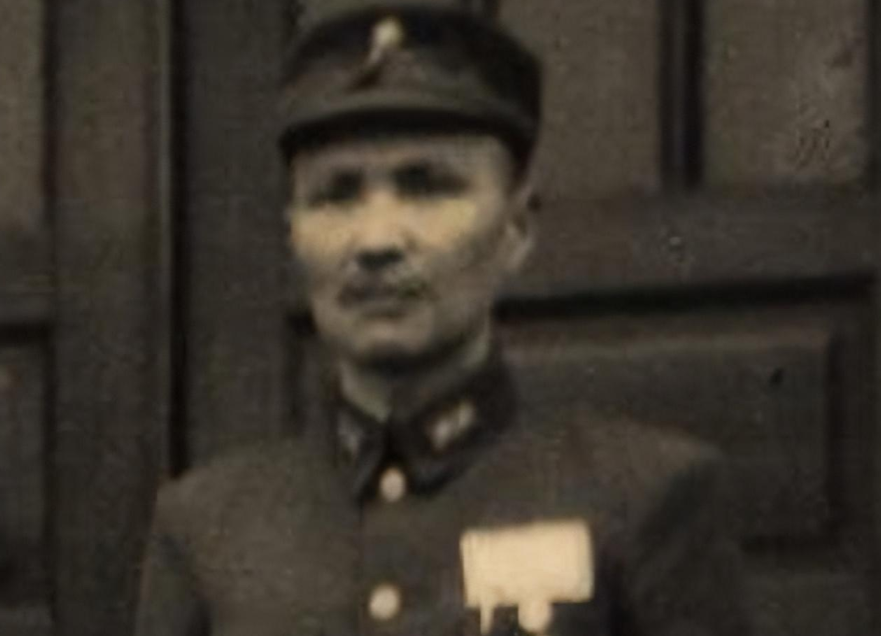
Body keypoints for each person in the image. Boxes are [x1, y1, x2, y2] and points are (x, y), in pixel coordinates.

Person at [134, 1, 752, 635]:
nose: (376, 239)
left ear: (516, 227)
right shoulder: (208, 527)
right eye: (336, 194)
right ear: (293, 235)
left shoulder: (641, 495)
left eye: (426, 186)